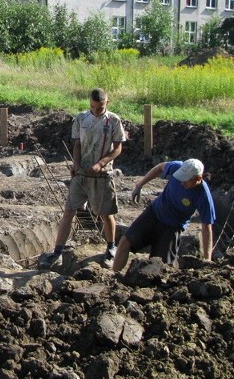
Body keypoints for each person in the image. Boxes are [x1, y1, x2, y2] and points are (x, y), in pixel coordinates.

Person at [38, 88, 127, 269]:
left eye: (100, 108)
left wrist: (101, 164)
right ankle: (57, 251)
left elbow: (117, 149)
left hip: (102, 175)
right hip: (81, 174)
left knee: (105, 213)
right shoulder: (81, 119)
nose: (96, 111)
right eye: (93, 107)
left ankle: (111, 247)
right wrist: (75, 164)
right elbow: (77, 144)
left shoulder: (114, 121)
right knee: (69, 211)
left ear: (106, 103)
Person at [112, 158, 216, 272]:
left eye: (185, 180)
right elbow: (160, 167)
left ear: (198, 178)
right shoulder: (177, 167)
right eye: (180, 178)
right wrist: (140, 185)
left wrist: (207, 259)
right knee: (125, 242)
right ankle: (114, 278)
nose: (182, 182)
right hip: (153, 213)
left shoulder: (203, 196)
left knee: (159, 266)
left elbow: (207, 228)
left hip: (171, 227)